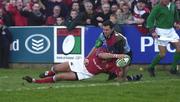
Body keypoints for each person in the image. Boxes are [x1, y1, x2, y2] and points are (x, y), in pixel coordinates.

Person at [22, 20, 142, 83]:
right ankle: (48, 73)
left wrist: (120, 61)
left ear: (112, 29)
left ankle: (128, 78)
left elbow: (121, 55)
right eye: (103, 29)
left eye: (106, 30)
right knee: (56, 68)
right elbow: (97, 49)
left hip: (124, 53)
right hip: (91, 62)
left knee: (122, 75)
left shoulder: (119, 40)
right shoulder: (103, 38)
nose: (104, 31)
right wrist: (86, 57)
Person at [146, 0, 180, 77]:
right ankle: (151, 67)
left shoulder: (173, 6)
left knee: (179, 48)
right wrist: (152, 31)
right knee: (162, 54)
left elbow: (176, 16)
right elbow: (150, 19)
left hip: (171, 31)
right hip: (161, 32)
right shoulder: (157, 8)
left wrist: (177, 23)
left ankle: (173, 69)